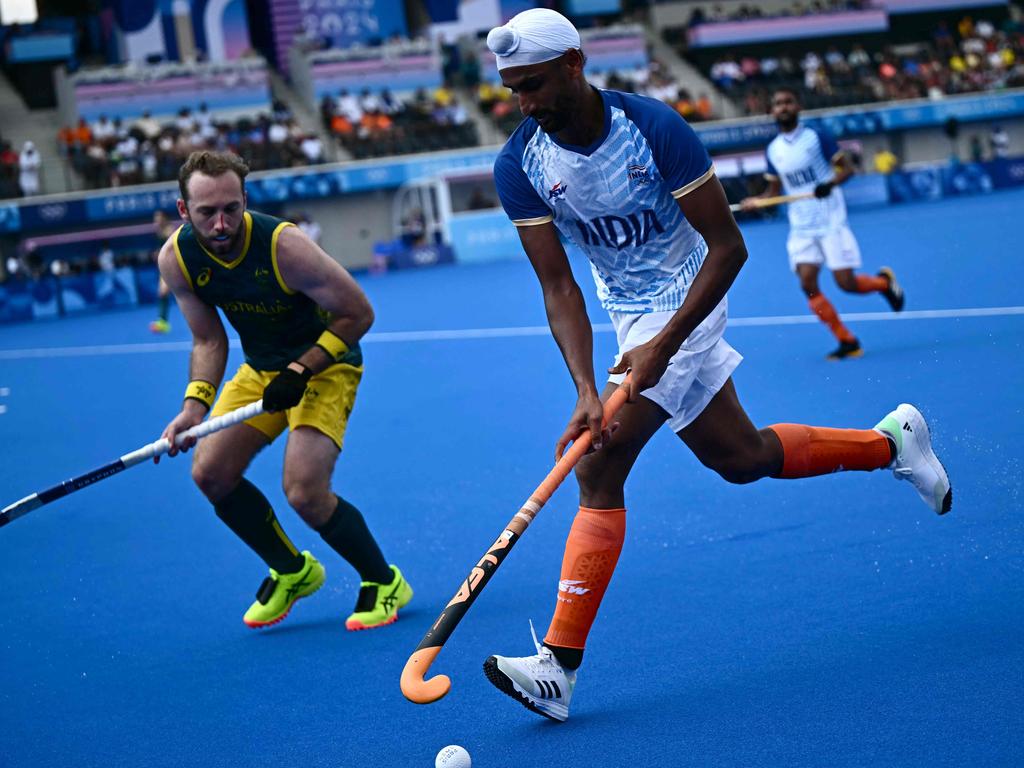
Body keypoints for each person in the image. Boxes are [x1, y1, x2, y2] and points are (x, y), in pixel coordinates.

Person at [480, 9, 952, 723]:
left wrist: (662, 346)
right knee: (740, 456)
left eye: (536, 84)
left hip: (688, 296)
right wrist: (586, 386)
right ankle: (892, 442)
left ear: (576, 64)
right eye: (514, 90)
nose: (527, 104)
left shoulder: (654, 129)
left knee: (597, 466)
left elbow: (729, 247)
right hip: (626, 317)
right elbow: (558, 286)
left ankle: (559, 667)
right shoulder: (521, 163)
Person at [156, 150, 412, 631]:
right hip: (263, 372)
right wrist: (195, 406)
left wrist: (301, 368)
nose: (221, 223)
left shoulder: (283, 247)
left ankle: (383, 581)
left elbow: (358, 313)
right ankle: (292, 570)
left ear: (245, 200)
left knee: (304, 491)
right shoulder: (177, 259)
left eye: (232, 208)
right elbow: (209, 339)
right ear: (183, 211)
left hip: (325, 365)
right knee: (210, 473)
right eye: (207, 212)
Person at [741, 88, 904, 360]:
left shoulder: (817, 137)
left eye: (788, 102)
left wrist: (828, 185)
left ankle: (884, 283)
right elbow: (774, 192)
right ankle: (846, 340)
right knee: (807, 283)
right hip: (801, 226)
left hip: (830, 219)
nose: (783, 107)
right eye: (778, 103)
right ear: (772, 111)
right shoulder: (773, 150)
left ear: (797, 106)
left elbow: (847, 169)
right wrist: (757, 202)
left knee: (846, 284)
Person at [150, 211, 178, 333]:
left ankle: (163, 321)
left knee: (163, 292)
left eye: (158, 218)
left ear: (165, 218)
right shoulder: (159, 232)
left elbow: (172, 248)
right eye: (155, 218)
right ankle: (162, 322)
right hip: (165, 267)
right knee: (162, 293)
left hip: (174, 266)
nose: (156, 220)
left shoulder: (169, 230)